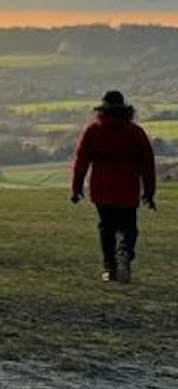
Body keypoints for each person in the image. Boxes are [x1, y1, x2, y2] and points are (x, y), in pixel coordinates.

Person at [70, 90, 156, 284]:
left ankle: (110, 268)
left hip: (102, 189)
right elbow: (147, 163)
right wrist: (149, 191)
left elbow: (81, 160)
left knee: (106, 228)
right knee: (128, 227)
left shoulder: (93, 131)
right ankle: (124, 253)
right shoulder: (135, 132)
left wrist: (76, 187)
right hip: (128, 187)